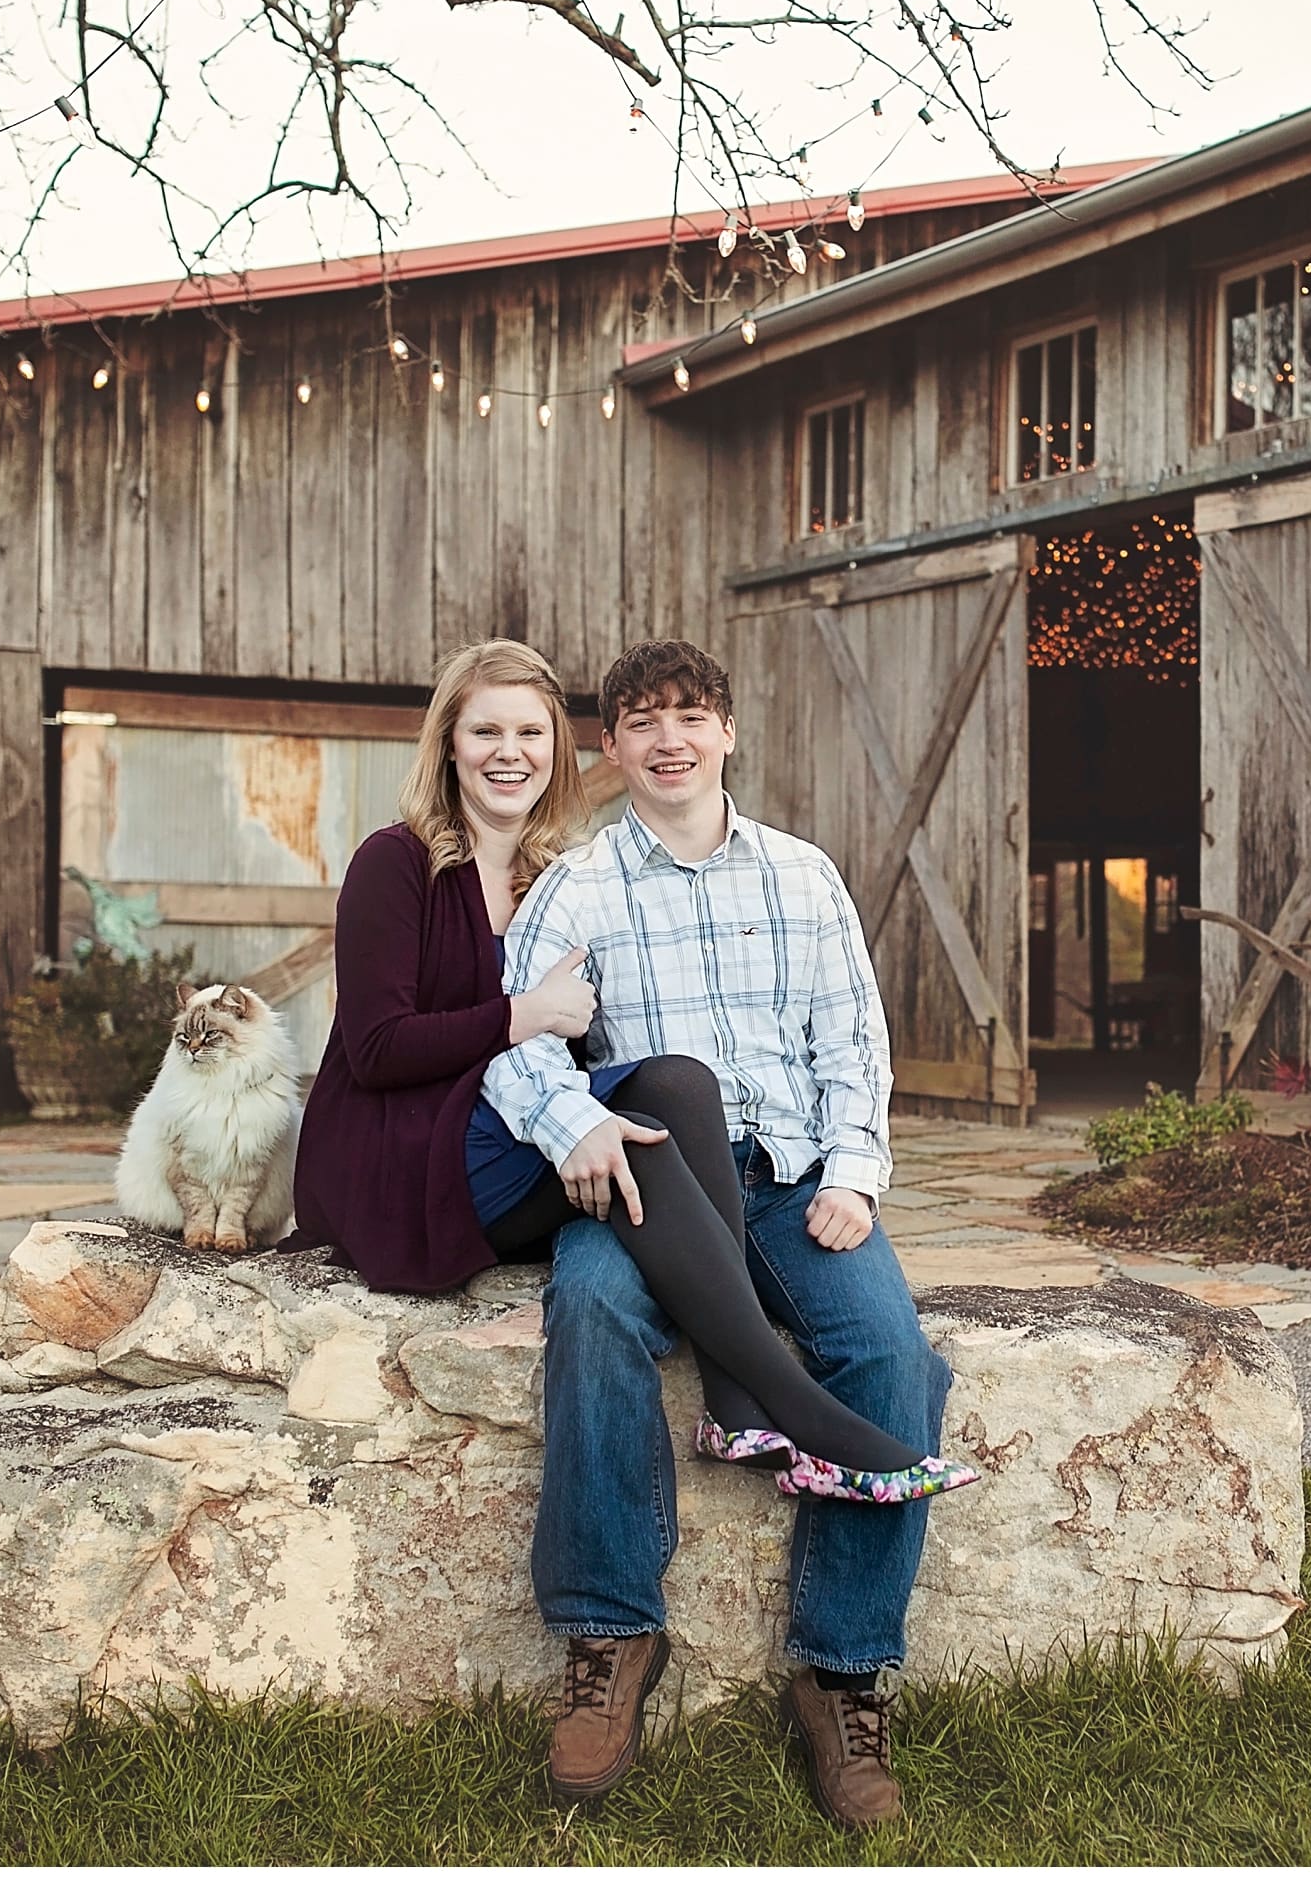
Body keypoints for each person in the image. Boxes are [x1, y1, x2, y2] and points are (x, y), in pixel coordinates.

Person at [484, 637, 958, 1829]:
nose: (669, 740)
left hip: (795, 1180)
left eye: (690, 716)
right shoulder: (577, 889)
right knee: (589, 1312)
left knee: (893, 1354)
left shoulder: (803, 878)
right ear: (609, 751)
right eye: (640, 722)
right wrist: (574, 1129)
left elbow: (855, 1044)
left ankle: (841, 1674)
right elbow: (517, 1046)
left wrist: (855, 1170)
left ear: (729, 733)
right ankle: (608, 1643)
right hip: (646, 1183)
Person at [293, 640, 945, 1484]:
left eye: (530, 732)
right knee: (662, 1100)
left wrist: (850, 1165)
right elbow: (376, 1048)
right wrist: (530, 1029)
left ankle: (738, 1405)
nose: (509, 752)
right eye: (485, 731)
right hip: (411, 1159)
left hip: (506, 1139)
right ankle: (786, 1405)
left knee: (675, 1084)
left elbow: (845, 1036)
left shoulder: (547, 874)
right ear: (448, 743)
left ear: (558, 752)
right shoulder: (398, 861)